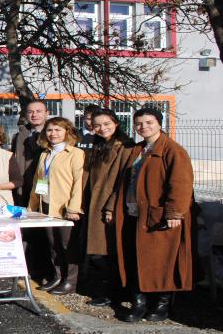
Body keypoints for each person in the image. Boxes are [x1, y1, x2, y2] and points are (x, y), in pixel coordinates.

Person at [115, 108, 194, 322]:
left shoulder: (172, 150)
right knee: (135, 258)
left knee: (160, 260)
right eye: (139, 123)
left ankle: (161, 304)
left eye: (149, 122)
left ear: (159, 123)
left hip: (158, 216)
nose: (144, 127)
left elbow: (181, 184)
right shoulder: (137, 150)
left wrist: (174, 212)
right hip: (134, 213)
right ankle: (139, 302)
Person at [28, 117, 84, 295]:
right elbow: (39, 181)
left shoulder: (75, 153)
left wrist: (74, 208)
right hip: (46, 207)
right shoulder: (45, 153)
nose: (53, 134)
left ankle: (71, 281)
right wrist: (32, 206)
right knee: (53, 245)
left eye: (58, 130)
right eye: (50, 130)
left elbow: (79, 182)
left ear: (67, 132)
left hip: (65, 208)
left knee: (68, 246)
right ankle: (58, 276)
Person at [82, 108, 133, 307]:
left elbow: (122, 180)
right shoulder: (98, 146)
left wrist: (111, 207)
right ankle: (103, 291)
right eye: (97, 125)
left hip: (107, 206)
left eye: (106, 124)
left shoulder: (124, 147)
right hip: (94, 204)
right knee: (98, 251)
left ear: (116, 123)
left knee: (106, 251)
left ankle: (112, 293)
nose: (102, 128)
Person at [12, 100, 50, 206]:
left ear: (47, 113)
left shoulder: (55, 134)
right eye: (30, 112)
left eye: (38, 111)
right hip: (23, 184)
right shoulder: (18, 136)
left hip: (45, 183)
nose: (34, 115)